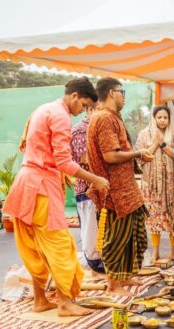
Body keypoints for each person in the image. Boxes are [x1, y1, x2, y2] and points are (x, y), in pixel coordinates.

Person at [3, 77, 109, 316]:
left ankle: (40, 301)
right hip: (41, 187)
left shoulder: (42, 109)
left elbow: (28, 147)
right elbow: (63, 161)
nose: (80, 112)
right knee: (61, 245)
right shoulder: (60, 115)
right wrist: (95, 179)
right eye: (83, 106)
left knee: (37, 247)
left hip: (25, 184)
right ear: (74, 96)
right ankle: (64, 303)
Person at [86, 77, 154, 295]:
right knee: (116, 240)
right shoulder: (105, 118)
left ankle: (123, 279)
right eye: (122, 92)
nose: (124, 96)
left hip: (125, 190)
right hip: (115, 193)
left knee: (134, 237)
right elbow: (110, 155)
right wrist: (139, 153)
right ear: (112, 93)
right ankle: (113, 284)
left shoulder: (111, 117)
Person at [135, 105, 174, 262]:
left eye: (165, 117)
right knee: (153, 217)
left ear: (169, 119)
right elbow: (141, 156)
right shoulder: (144, 134)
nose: (162, 120)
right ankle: (155, 251)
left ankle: (173, 249)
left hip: (172, 182)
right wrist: (155, 143)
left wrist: (163, 144)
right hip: (152, 185)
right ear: (153, 118)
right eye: (159, 117)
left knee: (172, 215)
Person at [70, 103, 105, 273]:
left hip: (102, 188)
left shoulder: (98, 129)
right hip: (87, 189)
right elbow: (85, 159)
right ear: (90, 110)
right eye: (99, 110)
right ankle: (94, 263)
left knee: (101, 228)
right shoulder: (79, 131)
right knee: (90, 230)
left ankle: (100, 263)